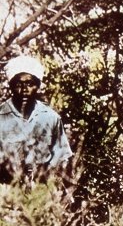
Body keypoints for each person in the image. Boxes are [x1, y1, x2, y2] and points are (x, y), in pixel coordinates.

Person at [0, 55, 73, 185]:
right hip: (6, 191)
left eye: (30, 84)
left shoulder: (51, 118)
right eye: (18, 84)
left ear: (38, 86)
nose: (24, 90)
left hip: (42, 192)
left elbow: (63, 158)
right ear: (11, 86)